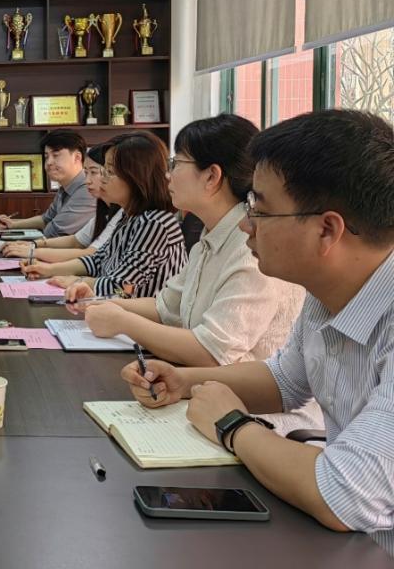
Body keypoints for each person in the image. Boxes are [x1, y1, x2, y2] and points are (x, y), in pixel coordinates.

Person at [121, 110, 394, 553]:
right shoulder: (325, 292)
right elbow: (284, 381)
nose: (246, 224)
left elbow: (344, 494)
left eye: (260, 211)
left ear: (327, 229)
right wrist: (183, 382)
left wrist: (232, 424)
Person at [74, 116, 316, 431]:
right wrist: (103, 304)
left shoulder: (251, 247)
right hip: (206, 395)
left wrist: (122, 321)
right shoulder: (211, 235)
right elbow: (166, 305)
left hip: (257, 417)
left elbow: (212, 352)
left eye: (176, 164)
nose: (168, 174)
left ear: (211, 176)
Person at [25, 132, 186, 298]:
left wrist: (79, 282)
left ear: (136, 177)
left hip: (135, 310)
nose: (102, 179)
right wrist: (49, 269)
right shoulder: (128, 216)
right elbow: (99, 259)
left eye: (109, 171)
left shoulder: (155, 224)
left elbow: (125, 288)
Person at [1, 142, 122, 263]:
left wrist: (34, 251)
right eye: (46, 156)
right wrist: (33, 244)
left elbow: (90, 253)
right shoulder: (103, 208)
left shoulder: (119, 211)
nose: (87, 181)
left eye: (56, 155)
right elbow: (76, 240)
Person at [0, 130, 96, 238]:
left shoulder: (88, 189)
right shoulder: (65, 187)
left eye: (56, 155)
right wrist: (12, 224)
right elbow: (46, 219)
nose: (49, 162)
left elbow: (54, 232)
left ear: (77, 157)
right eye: (46, 156)